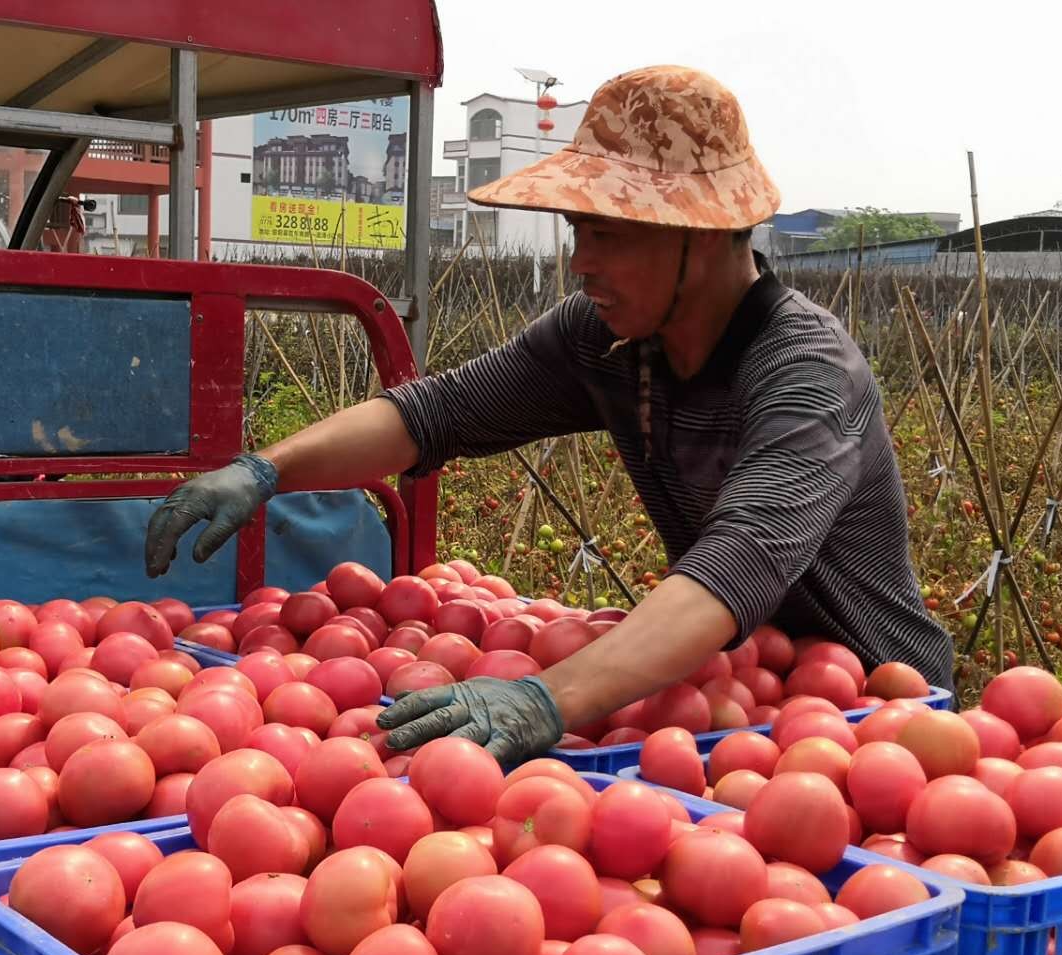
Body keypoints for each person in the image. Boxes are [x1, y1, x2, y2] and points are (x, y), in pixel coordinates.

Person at [144, 65, 955, 766]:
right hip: (726, 689)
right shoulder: (608, 340)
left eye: (608, 235)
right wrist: (267, 468)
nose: (581, 263)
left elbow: (741, 559)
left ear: (703, 235)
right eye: (577, 231)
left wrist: (547, 698)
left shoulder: (805, 371)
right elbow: (438, 414)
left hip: (872, 714)